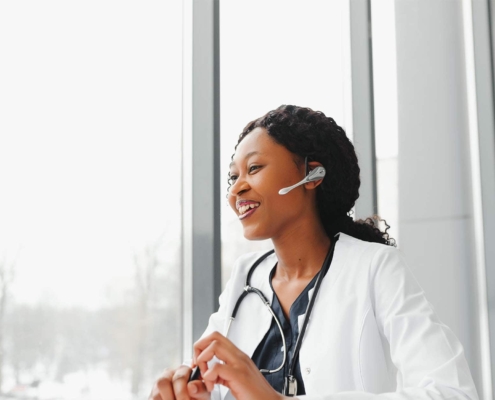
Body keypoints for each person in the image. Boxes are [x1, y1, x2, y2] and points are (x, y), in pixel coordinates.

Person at [149, 105, 479, 400]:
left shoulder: (375, 267)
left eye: (254, 168)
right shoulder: (244, 277)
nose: (237, 188)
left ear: (312, 175)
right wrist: (184, 390)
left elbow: (452, 393)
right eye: (233, 177)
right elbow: (210, 381)